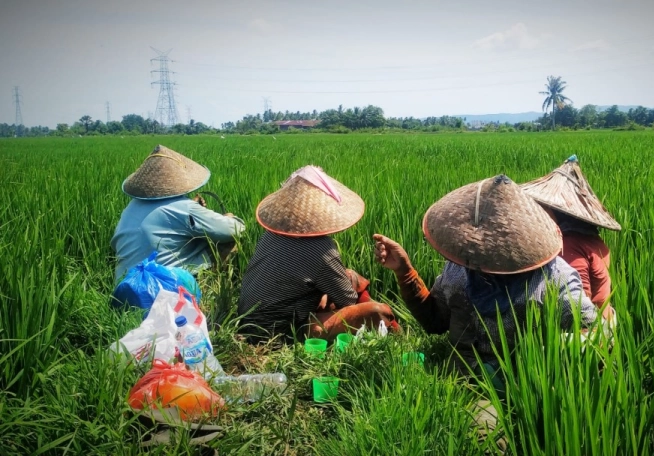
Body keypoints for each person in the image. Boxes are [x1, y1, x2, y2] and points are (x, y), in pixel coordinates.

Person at [374, 174, 613, 449]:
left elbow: (594, 336)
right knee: (488, 440)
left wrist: (557, 359)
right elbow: (436, 322)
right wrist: (404, 271)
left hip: (533, 380)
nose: (481, 261)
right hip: (471, 377)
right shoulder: (458, 271)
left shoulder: (555, 280)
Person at [238, 165, 399, 343]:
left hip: (247, 320)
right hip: (278, 333)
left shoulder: (272, 233)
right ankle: (396, 337)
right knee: (377, 312)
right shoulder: (322, 250)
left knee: (349, 277)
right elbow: (348, 301)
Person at [111, 145, 245, 281]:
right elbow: (233, 230)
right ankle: (207, 290)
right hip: (162, 288)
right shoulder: (185, 207)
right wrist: (230, 218)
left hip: (123, 285)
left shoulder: (131, 206)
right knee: (230, 242)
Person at [521, 155, 621, 309]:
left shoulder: (570, 244)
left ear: (558, 212)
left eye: (545, 208)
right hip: (603, 318)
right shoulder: (594, 240)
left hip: (588, 327)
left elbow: (578, 303)